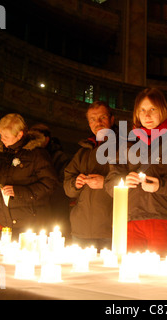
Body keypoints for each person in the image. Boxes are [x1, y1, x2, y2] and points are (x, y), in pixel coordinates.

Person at [104, 88, 167, 257]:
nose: (147, 115)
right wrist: (123, 182)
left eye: (152, 109)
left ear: (163, 111)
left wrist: (162, 185)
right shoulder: (126, 144)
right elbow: (110, 182)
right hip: (130, 222)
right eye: (142, 110)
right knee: (129, 279)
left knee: (163, 280)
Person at [64, 101, 116, 249]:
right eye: (92, 119)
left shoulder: (124, 148)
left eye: (102, 117)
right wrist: (75, 183)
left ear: (112, 120)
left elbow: (133, 182)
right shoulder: (83, 151)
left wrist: (105, 183)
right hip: (81, 230)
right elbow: (67, 187)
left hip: (110, 230)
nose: (97, 123)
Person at [29, 123, 71, 239]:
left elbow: (61, 183)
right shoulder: (30, 156)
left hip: (55, 207)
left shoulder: (58, 157)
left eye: (36, 138)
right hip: (36, 207)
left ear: (46, 139)